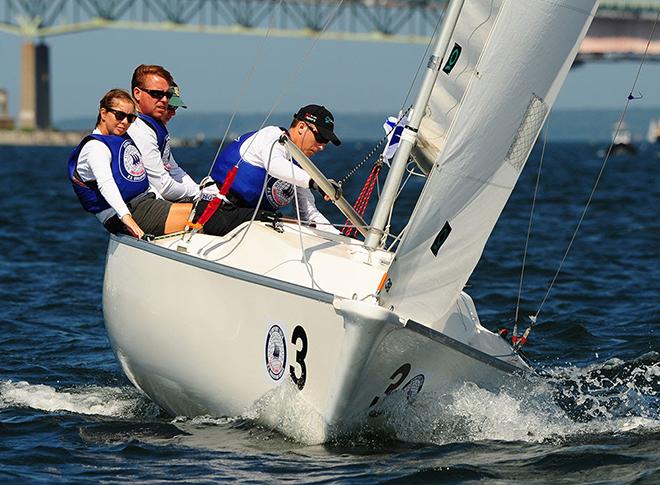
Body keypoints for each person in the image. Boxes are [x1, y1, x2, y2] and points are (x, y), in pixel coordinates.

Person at [67, 89, 193, 238]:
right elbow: (105, 183)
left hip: (147, 202)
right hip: (126, 213)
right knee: (203, 216)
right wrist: (127, 218)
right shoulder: (95, 147)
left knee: (205, 205)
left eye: (131, 118)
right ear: (103, 113)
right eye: (119, 115)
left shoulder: (121, 137)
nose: (125, 122)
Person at [209, 104, 342, 233]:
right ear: (302, 127)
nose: (321, 147)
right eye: (320, 138)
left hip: (251, 219)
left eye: (325, 142)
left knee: (296, 227)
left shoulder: (299, 167)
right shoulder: (272, 136)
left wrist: (338, 237)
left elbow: (308, 214)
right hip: (217, 210)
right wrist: (317, 182)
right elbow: (274, 164)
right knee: (285, 225)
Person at [127, 64, 199, 202]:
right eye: (157, 94)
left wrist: (199, 191)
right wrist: (198, 194)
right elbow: (163, 186)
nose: (165, 102)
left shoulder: (154, 129)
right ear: (137, 93)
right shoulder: (138, 128)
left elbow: (174, 169)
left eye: (168, 96)